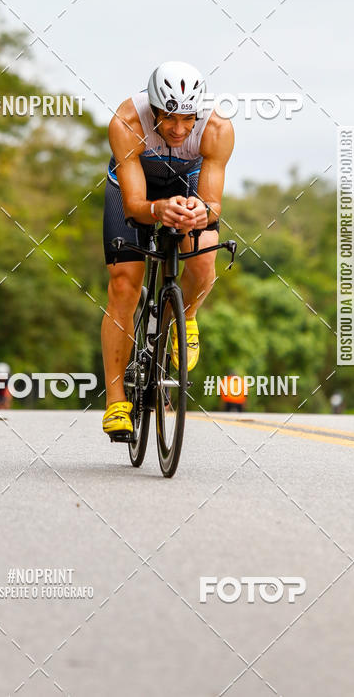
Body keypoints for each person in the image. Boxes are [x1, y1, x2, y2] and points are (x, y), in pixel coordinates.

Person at [101, 61, 234, 438]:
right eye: (169, 117)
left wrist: (200, 212)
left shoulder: (218, 128)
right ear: (154, 108)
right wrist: (158, 209)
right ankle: (116, 404)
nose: (178, 129)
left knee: (204, 261)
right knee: (124, 285)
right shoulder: (127, 120)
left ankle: (185, 316)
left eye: (187, 119)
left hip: (188, 181)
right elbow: (134, 206)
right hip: (134, 186)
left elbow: (213, 204)